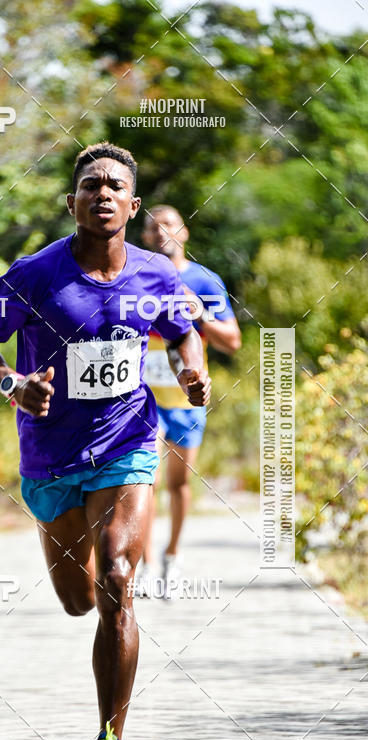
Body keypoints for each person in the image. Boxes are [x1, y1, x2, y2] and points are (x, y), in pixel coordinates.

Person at [0, 144, 210, 740]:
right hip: (50, 457)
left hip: (128, 441)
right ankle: (93, 570)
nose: (102, 193)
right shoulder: (34, 273)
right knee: (79, 600)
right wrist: (13, 383)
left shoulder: (156, 272)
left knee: (120, 578)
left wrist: (191, 366)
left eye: (115, 186)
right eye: (90, 185)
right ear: (70, 202)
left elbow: (184, 328)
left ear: (132, 205)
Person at [138, 206, 241, 596]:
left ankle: (172, 556)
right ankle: (145, 564)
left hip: (186, 394)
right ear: (146, 237)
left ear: (184, 233)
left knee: (179, 483)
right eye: (152, 227)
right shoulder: (137, 275)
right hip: (143, 394)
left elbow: (232, 342)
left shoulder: (204, 280)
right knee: (145, 478)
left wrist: (199, 316)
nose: (161, 232)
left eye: (169, 225)